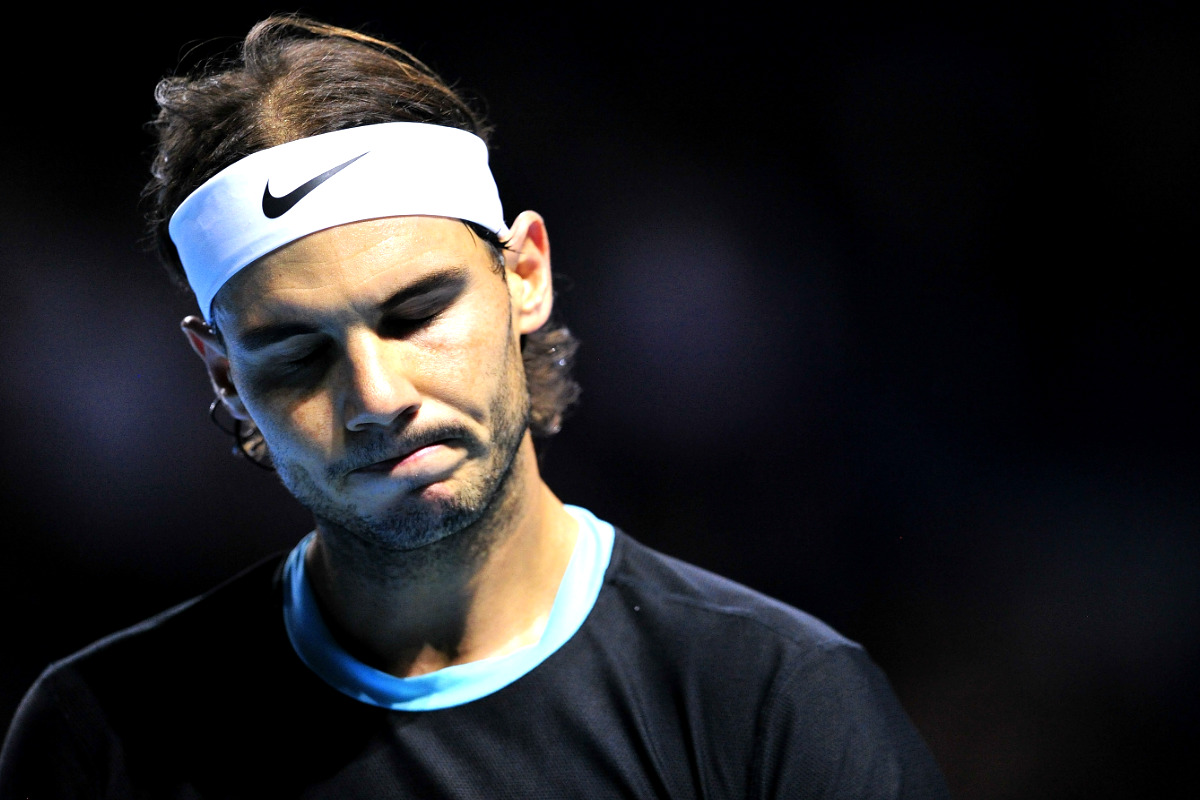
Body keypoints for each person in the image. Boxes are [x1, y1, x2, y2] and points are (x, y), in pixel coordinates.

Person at [0, 16, 950, 799]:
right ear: (220, 374)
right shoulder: (100, 741)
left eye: (417, 313)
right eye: (296, 353)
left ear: (524, 274)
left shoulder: (778, 704)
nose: (377, 398)